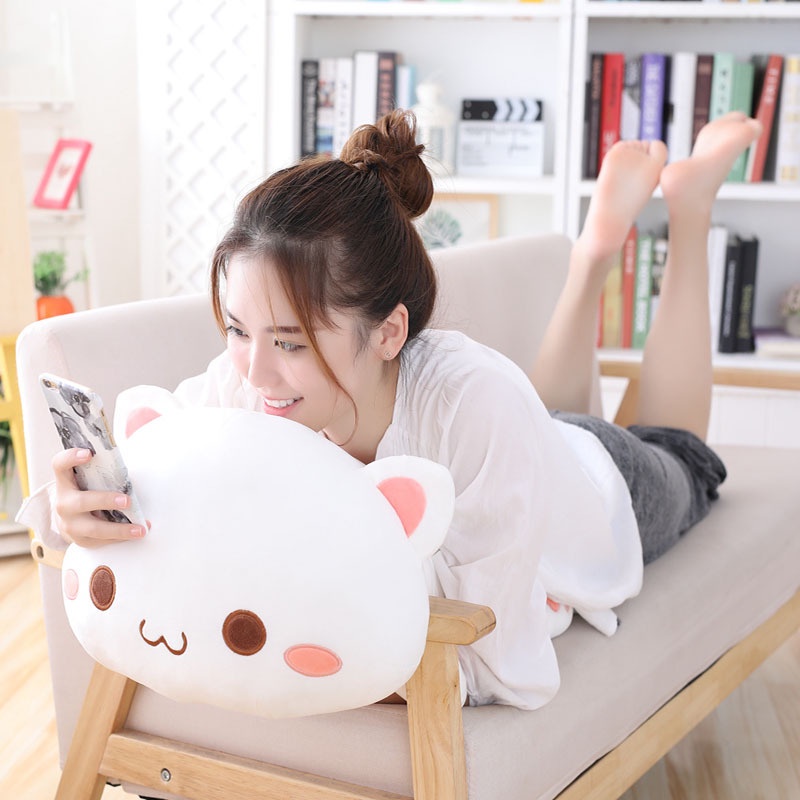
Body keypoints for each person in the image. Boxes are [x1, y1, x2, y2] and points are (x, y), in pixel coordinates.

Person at [40, 108, 762, 710]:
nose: (253, 371)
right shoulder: (245, 385)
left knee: (679, 447)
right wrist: (81, 508)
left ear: (388, 332)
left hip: (601, 483)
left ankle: (689, 208)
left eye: (290, 342)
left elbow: (495, 659)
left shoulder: (474, 402)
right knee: (543, 418)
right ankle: (595, 250)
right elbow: (160, 464)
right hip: (525, 450)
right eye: (236, 329)